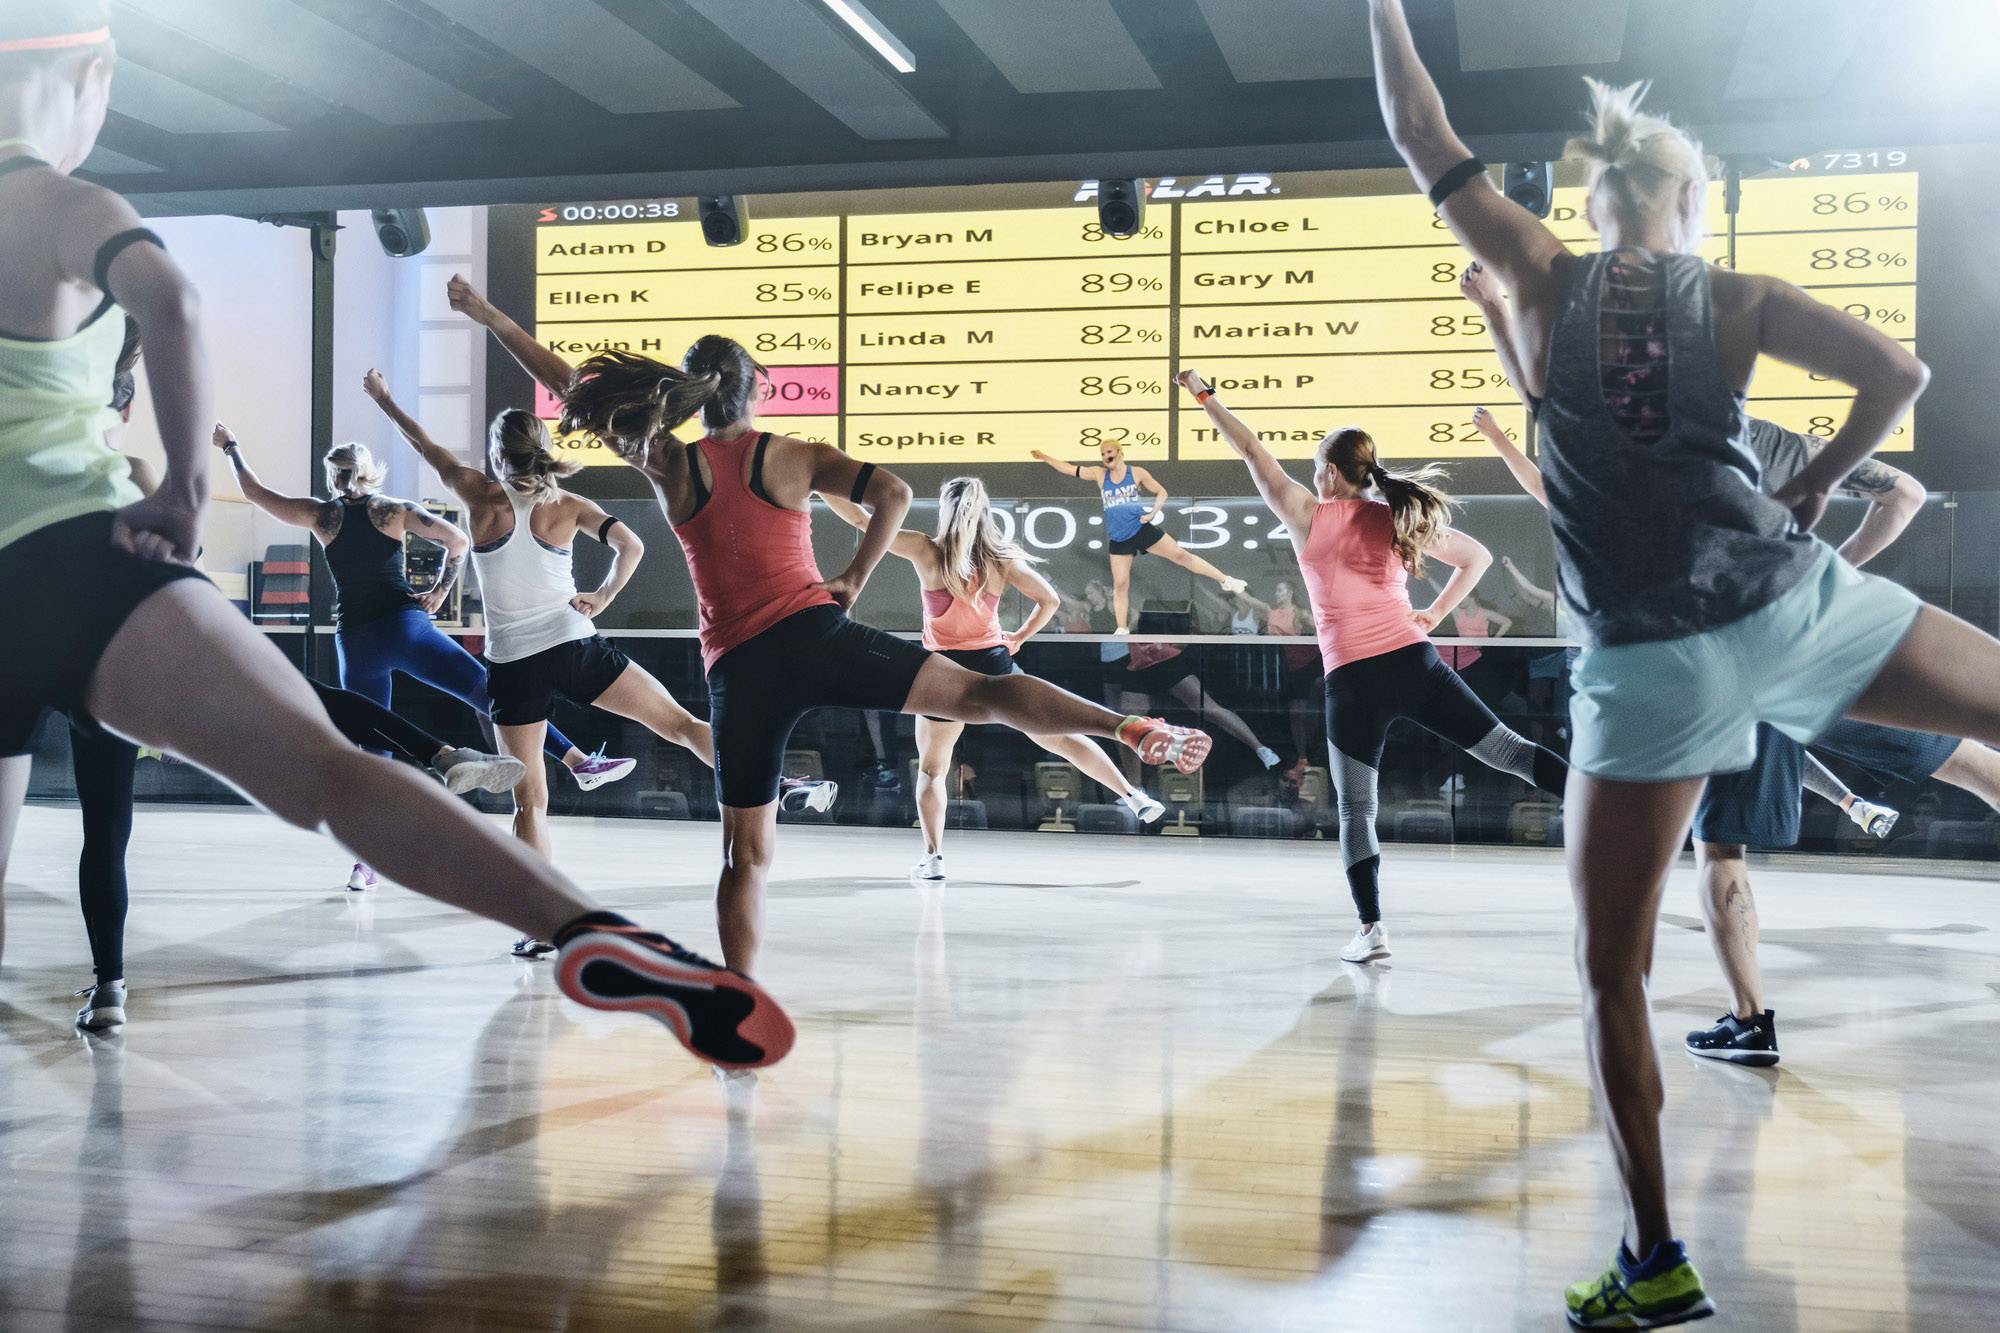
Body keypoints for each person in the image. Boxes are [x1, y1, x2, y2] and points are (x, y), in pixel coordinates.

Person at [0, 3, 791, 1072]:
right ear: (87, 78)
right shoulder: (55, 198)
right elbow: (172, 300)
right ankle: (583, 928)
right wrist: (183, 488)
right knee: (326, 772)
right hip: (84, 557)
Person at [1369, 3, 2000, 1319]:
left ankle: (1655, 1261)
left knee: (1614, 972)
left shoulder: (1541, 275)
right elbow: (1902, 368)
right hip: (1789, 602)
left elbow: (1418, 127)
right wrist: (1817, 484)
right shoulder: (1738, 297)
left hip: (1648, 671)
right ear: (1692, 200)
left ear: (1597, 201)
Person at [453, 275, 1211, 975]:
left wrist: (492, 318)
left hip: (741, 672)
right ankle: (1131, 730)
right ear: (759, 388)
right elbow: (895, 491)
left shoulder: (675, 465)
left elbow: (572, 388)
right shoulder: (795, 455)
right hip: (818, 636)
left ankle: (740, 1000)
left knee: (744, 856)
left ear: (690, 397)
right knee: (986, 695)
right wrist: (852, 575)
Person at [1464, 275, 2000, 1066]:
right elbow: (1906, 493)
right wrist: (1830, 567)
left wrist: (1493, 316)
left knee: (1723, 853)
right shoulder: (1777, 442)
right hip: (1802, 638)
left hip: (1708, 670)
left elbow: (1550, 468)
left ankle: (1752, 1019)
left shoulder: (1629, 452)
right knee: (1974, 764)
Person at [362, 370, 837, 953]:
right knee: (680, 726)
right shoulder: (566, 504)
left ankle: (540, 927)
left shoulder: (478, 496)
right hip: (572, 645)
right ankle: (776, 784)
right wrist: (603, 596)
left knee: (529, 801)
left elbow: (424, 444)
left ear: (495, 453)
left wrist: (386, 398)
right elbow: (629, 546)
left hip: (512, 664)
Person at [1177, 368, 1567, 964]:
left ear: (1331, 473)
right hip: (1413, 662)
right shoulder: (1397, 517)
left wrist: (1203, 394)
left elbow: (1251, 449)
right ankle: (1616, 815)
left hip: (1353, 682)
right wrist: (1433, 612)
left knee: (1358, 809)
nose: (1311, 478)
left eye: (1315, 469)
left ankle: (1372, 929)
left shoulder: (1309, 515)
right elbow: (1477, 557)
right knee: (1511, 753)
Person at [215, 425, 635, 887]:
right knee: (486, 692)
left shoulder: (321, 516)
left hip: (356, 640)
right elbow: (457, 541)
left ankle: (365, 863)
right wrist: (438, 592)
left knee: (371, 745)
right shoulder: (394, 511)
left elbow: (254, 491)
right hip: (406, 626)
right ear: (370, 473)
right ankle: (579, 762)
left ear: (332, 477)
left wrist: (232, 447)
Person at [822, 477, 1167, 880]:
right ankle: (1132, 795)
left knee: (933, 770)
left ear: (944, 509)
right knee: (1061, 738)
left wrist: (821, 483)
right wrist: (1019, 637)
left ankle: (933, 858)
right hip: (994, 664)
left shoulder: (925, 550)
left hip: (942, 673)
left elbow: (862, 521)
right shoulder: (1000, 559)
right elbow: (1050, 601)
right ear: (984, 511)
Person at [1029, 441, 1247, 632]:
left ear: (1120, 452)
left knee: (1181, 556)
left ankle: (1225, 580)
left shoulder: (1137, 473)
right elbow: (1068, 469)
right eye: (1103, 453)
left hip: (1141, 529)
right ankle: (1122, 628)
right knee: (1121, 584)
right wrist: (1044, 457)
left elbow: (1161, 492)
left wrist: (1152, 512)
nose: (1106, 456)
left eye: (1109, 452)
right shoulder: (1099, 474)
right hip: (1119, 537)